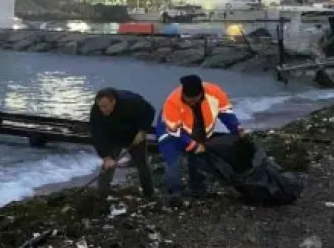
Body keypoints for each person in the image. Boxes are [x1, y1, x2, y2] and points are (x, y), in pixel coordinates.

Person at [155, 75, 244, 206]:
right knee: (173, 161)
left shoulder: (214, 93)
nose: (191, 103)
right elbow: (175, 131)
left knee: (198, 158)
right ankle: (175, 192)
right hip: (170, 132)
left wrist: (237, 129)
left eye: (193, 100)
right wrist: (192, 144)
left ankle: (197, 189)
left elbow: (226, 113)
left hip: (197, 129)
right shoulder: (172, 102)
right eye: (187, 100)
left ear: (201, 93)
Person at [88, 88, 156, 198]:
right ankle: (102, 195)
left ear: (113, 101)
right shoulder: (96, 111)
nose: (102, 110)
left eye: (105, 106)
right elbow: (97, 135)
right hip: (113, 137)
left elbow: (149, 111)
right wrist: (106, 157)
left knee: (142, 164)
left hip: (134, 135)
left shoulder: (131, 101)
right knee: (107, 166)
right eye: (100, 106)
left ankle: (149, 194)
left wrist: (142, 131)